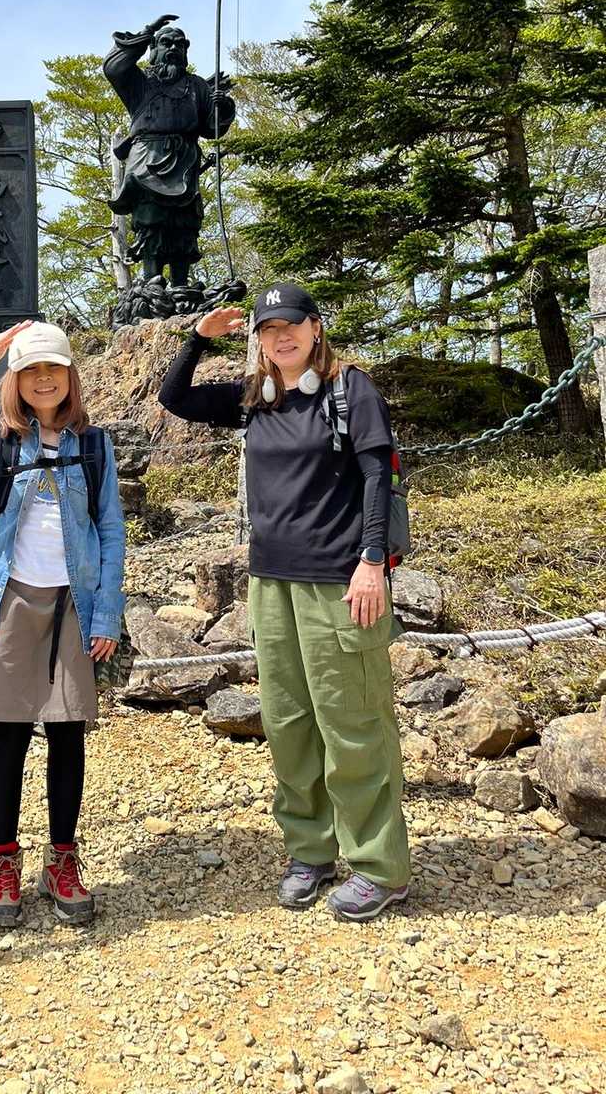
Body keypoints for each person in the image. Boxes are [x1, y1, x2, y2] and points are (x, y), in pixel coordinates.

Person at [158, 281, 411, 921]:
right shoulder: (255, 398)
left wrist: (372, 562)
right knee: (290, 723)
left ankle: (380, 867)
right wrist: (197, 339)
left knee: (352, 723)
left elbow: (378, 476)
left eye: (291, 325)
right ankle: (310, 851)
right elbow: (175, 398)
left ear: (315, 327)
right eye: (268, 330)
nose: (281, 337)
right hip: (271, 583)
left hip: (340, 581)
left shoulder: (351, 390)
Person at [0, 320, 125, 928]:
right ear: (15, 379)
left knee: (68, 733)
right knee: (9, 733)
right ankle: (4, 861)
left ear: (71, 376)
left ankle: (62, 859)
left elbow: (110, 529)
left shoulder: (94, 445)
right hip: (8, 599)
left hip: (74, 602)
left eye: (54, 368)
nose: (44, 379)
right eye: (30, 369)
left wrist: (107, 613)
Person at [103, 13, 235, 286]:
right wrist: (148, 31)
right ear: (154, 48)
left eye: (179, 44)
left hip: (185, 163)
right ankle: (151, 284)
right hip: (147, 161)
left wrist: (223, 107)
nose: (173, 48)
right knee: (151, 224)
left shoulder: (196, 86)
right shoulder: (140, 83)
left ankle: (181, 287)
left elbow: (211, 129)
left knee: (184, 226)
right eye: (166, 43)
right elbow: (113, 68)